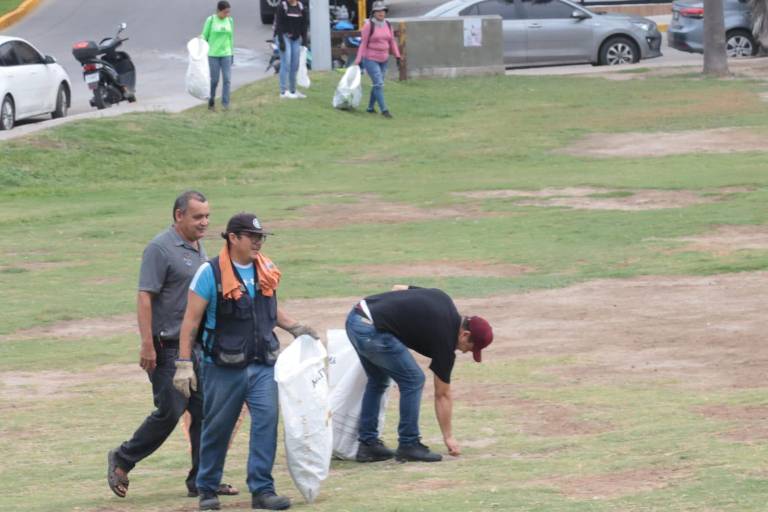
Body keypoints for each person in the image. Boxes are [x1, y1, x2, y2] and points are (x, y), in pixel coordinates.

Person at [174, 212, 318, 511]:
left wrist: (295, 327)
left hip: (263, 363)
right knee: (218, 427)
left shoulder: (265, 269)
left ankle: (262, 491)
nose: (258, 242)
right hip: (223, 366)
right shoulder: (209, 273)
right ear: (233, 238)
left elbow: (267, 309)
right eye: (252, 237)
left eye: (260, 237)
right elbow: (190, 321)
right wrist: (184, 363)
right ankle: (208, 490)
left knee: (266, 423)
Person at [106, 191, 238, 499]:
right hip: (165, 346)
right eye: (197, 217)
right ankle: (122, 458)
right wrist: (146, 344)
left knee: (205, 411)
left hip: (194, 347)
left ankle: (202, 479)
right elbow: (144, 297)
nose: (204, 222)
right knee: (170, 410)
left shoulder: (198, 247)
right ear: (179, 216)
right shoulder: (160, 249)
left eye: (207, 216)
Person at [344, 285, 493, 463]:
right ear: (465, 334)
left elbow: (398, 288)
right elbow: (442, 394)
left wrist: (397, 317)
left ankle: (368, 445)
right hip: (372, 330)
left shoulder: (443, 298)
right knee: (414, 380)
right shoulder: (445, 340)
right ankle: (409, 444)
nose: (465, 352)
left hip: (356, 318)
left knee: (378, 380)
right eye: (470, 348)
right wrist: (449, 437)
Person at [354, 1, 401, 118]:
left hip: (384, 59)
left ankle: (370, 108)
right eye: (378, 11)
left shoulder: (388, 25)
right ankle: (384, 110)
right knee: (378, 83)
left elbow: (392, 42)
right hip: (370, 59)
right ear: (373, 13)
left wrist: (397, 56)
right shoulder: (368, 25)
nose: (381, 13)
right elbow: (363, 44)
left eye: (383, 11)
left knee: (377, 84)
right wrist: (358, 59)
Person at [201, 1, 234, 111]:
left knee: (227, 80)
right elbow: (204, 35)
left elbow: (231, 38)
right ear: (219, 11)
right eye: (225, 12)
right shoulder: (210, 20)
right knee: (214, 80)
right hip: (213, 55)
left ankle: (226, 104)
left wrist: (232, 53)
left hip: (226, 54)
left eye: (228, 12)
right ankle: (211, 102)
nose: (227, 14)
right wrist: (199, 39)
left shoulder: (230, 20)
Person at [274, 0, 308, 99]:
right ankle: (283, 91)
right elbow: (278, 25)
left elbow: (304, 26)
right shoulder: (282, 6)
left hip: (296, 38)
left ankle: (292, 91)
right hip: (284, 36)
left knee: (294, 64)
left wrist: (304, 41)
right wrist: (281, 42)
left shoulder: (301, 7)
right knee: (286, 62)